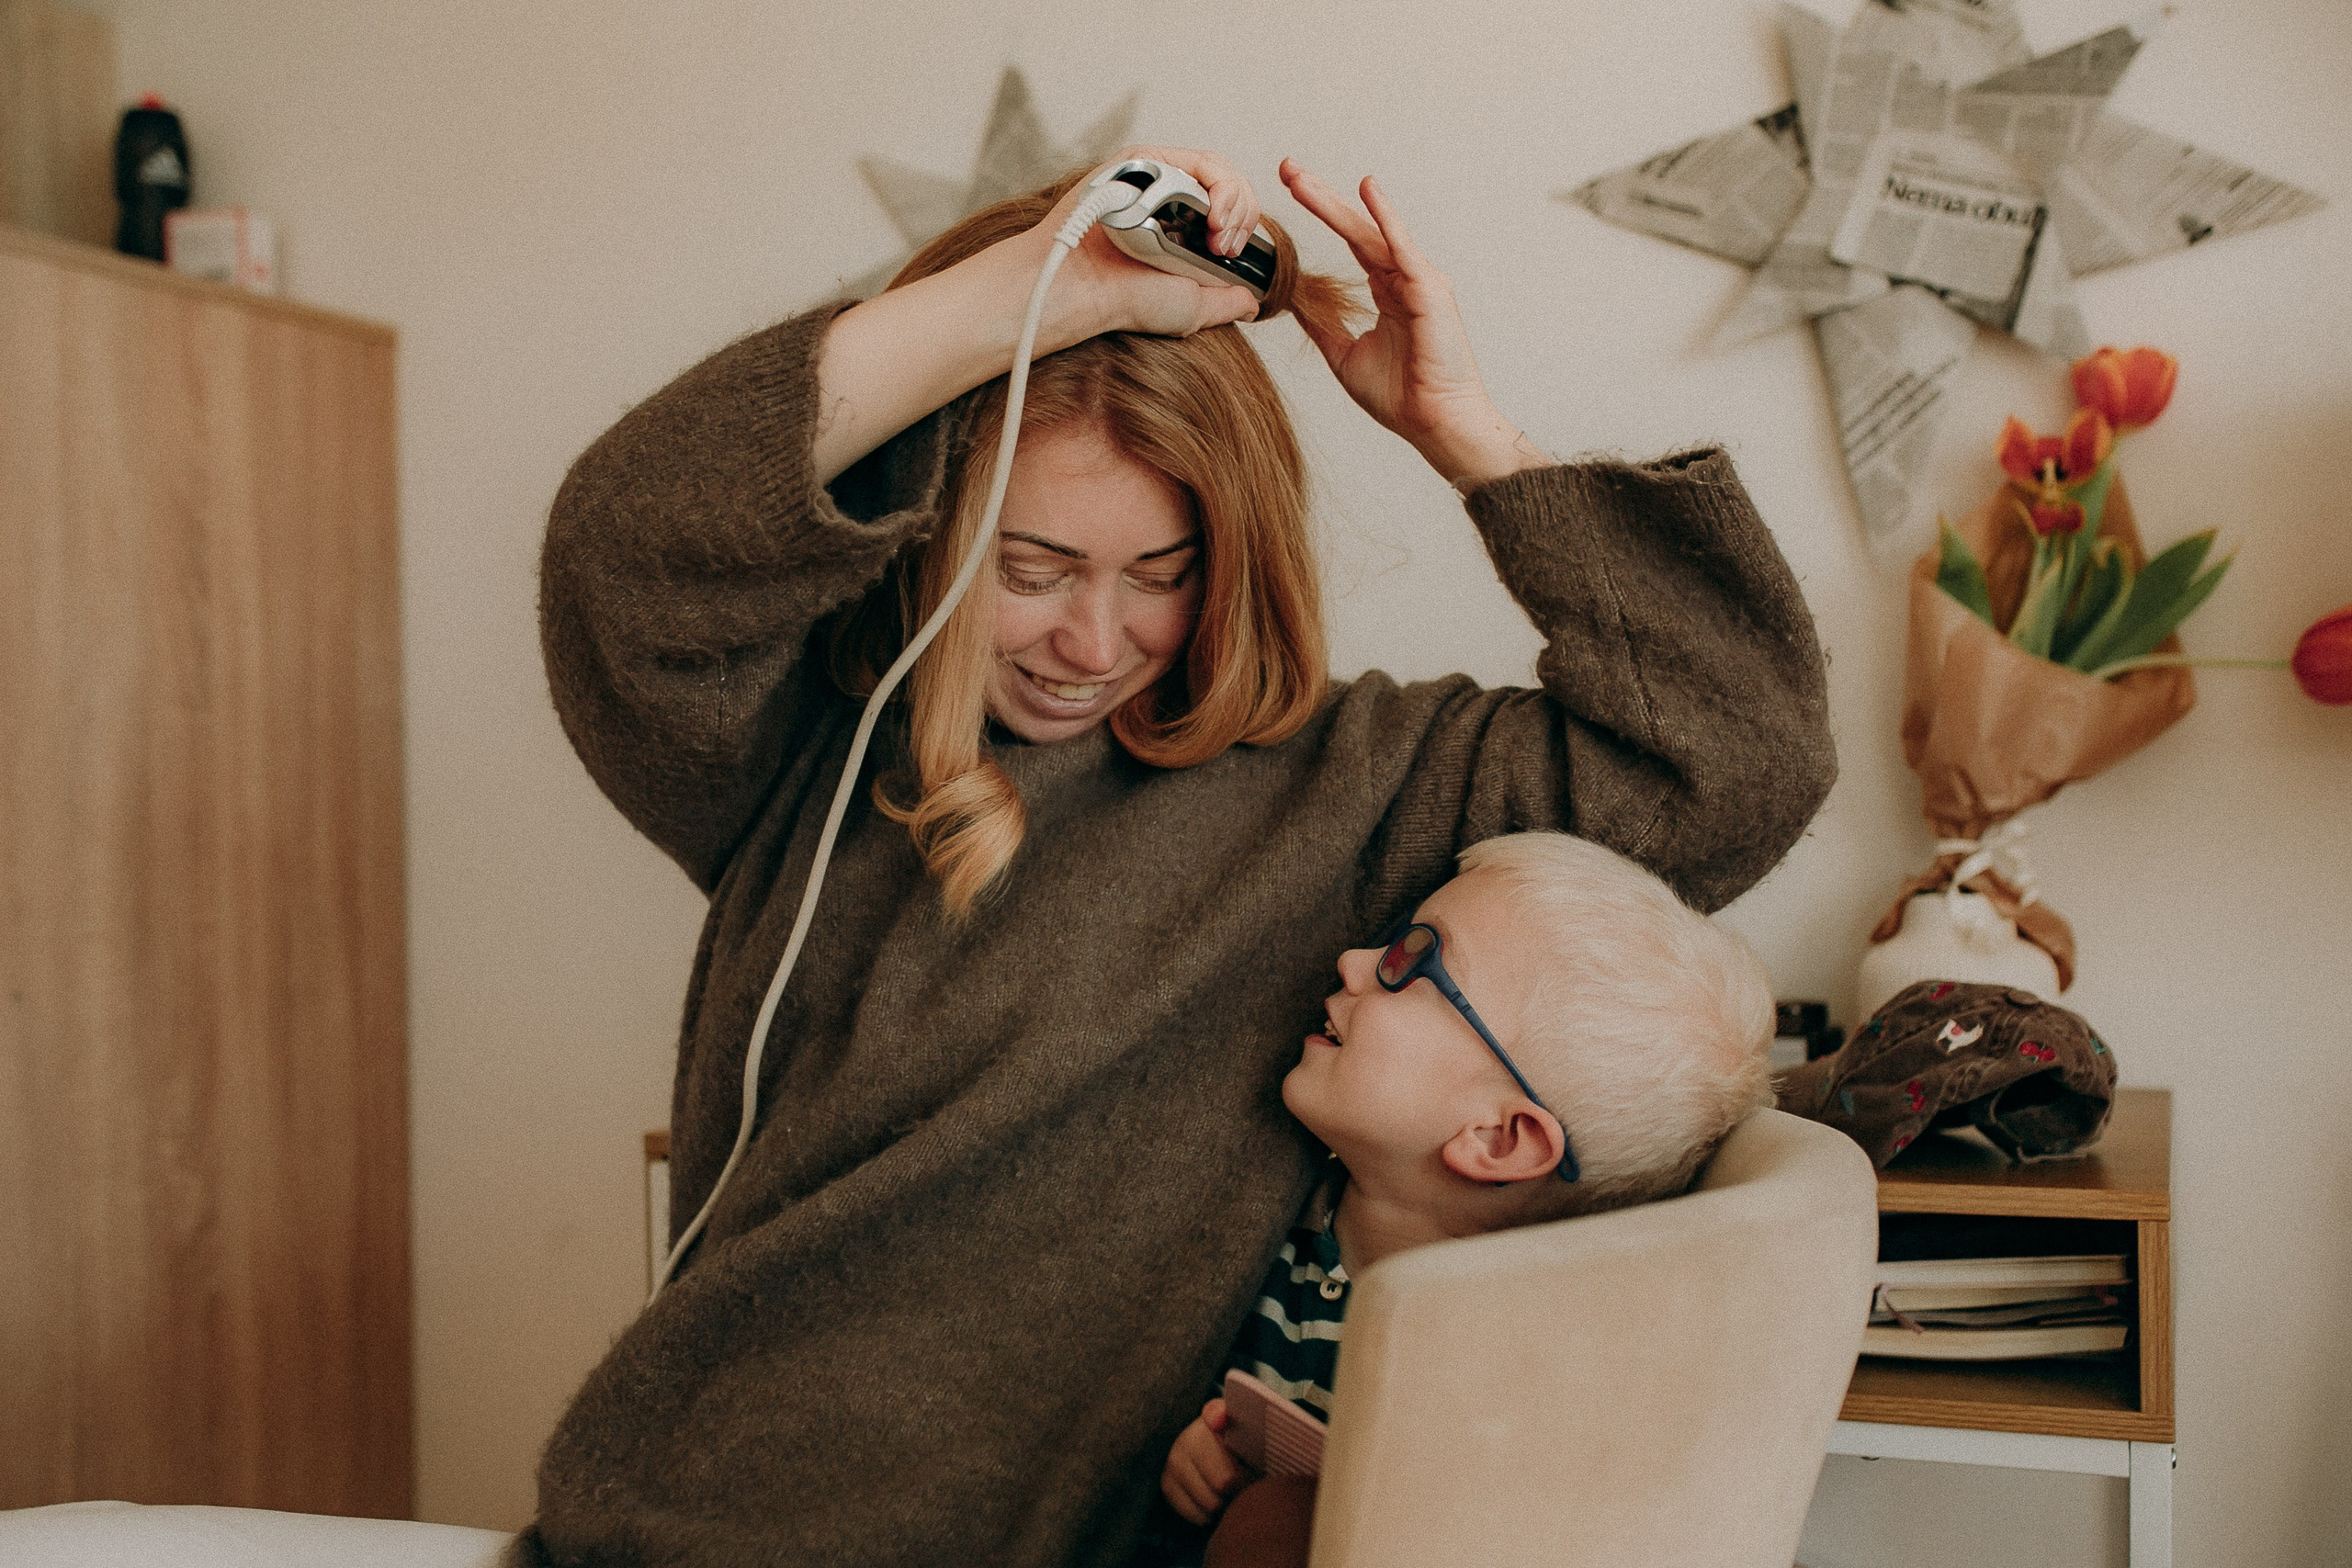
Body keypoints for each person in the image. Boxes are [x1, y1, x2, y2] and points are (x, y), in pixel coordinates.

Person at [521, 146, 1835, 1568]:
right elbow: (627, 550)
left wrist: (1461, 431)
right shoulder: (798, 751)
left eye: (1163, 573)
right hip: (662, 1528)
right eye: (1029, 572)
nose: (1096, 642)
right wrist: (1022, 300)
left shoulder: (1365, 791)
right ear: (927, 537)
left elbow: (1741, 755)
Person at [1149, 830, 1776, 1564]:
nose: (1354, 961)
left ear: (1500, 1138)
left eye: (1417, 962)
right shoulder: (1264, 1217)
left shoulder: (1508, 1366)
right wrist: (1208, 1450)